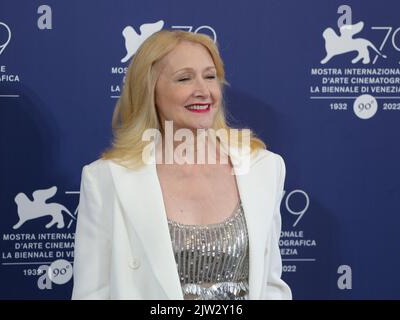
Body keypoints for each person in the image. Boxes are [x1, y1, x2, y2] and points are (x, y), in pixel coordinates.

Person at [71, 30, 292, 300]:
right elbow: (92, 294)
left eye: (210, 76)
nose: (204, 91)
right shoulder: (106, 179)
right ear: (150, 90)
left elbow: (271, 286)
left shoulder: (264, 168)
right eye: (184, 78)